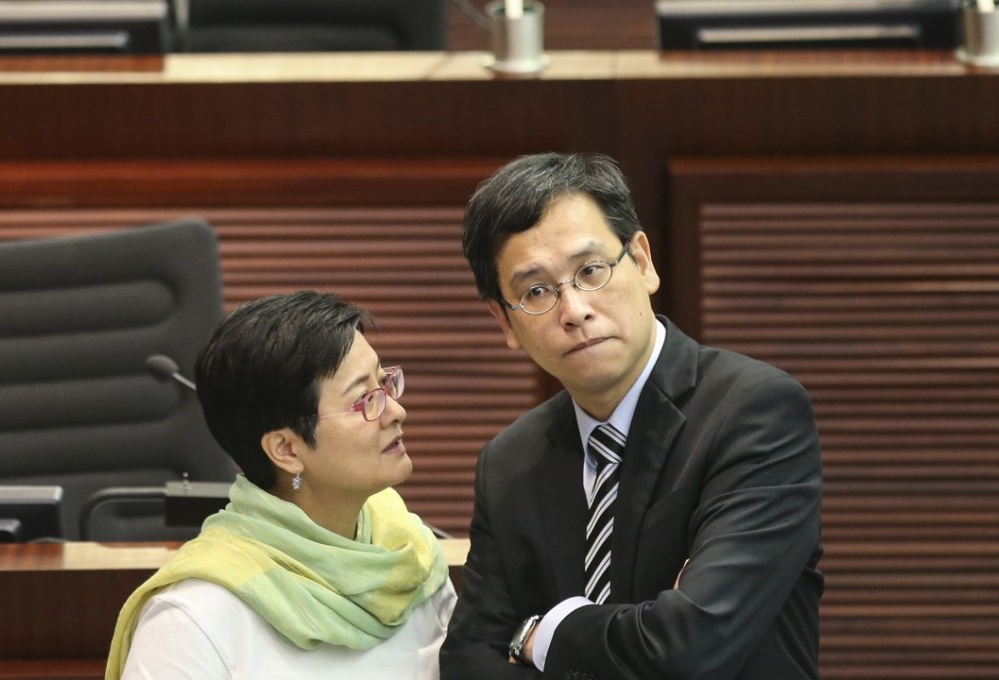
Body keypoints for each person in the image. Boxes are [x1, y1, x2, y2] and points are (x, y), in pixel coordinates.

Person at [440, 152, 823, 679]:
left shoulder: (754, 412)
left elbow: (688, 646)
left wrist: (541, 634)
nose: (574, 311)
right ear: (504, 321)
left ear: (642, 262)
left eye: (590, 271)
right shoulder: (509, 462)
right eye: (536, 291)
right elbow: (468, 661)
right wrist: (647, 626)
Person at [106, 291, 456, 680]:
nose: (396, 411)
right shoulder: (192, 623)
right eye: (364, 400)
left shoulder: (410, 554)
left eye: (384, 383)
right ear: (286, 449)